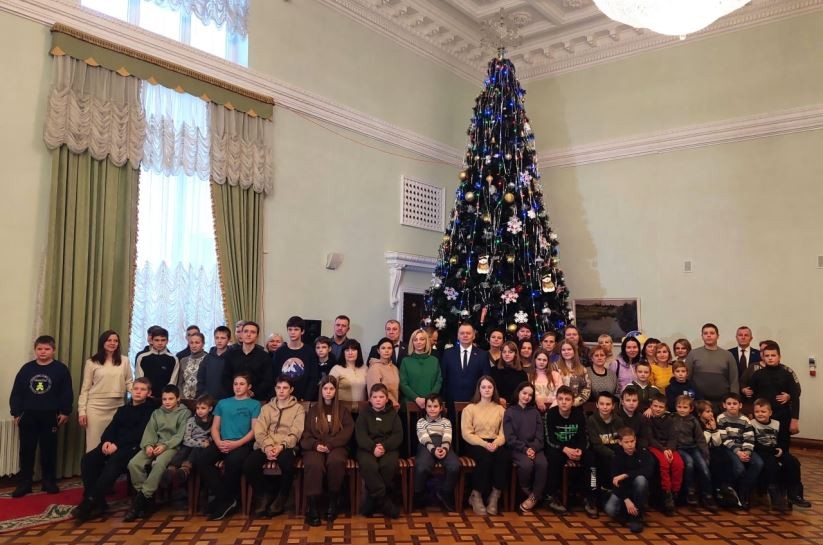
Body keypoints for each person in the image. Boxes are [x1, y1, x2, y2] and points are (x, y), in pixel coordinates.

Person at [73, 377, 156, 522]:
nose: (138, 392)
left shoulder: (151, 411)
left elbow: (139, 434)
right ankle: (98, 502)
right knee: (89, 460)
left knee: (113, 463)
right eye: (136, 389)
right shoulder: (123, 409)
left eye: (143, 390)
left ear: (149, 393)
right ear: (131, 390)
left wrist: (116, 445)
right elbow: (112, 427)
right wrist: (106, 441)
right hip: (113, 444)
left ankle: (89, 503)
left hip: (133, 446)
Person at [9, 335, 73, 497]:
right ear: (35, 350)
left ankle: (48, 481)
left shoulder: (60, 369)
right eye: (39, 349)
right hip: (28, 415)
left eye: (47, 349)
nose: (43, 352)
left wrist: (65, 411)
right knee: (26, 450)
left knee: (49, 450)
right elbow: (17, 393)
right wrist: (16, 413)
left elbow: (66, 392)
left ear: (53, 350)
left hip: (50, 415)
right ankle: (25, 483)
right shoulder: (27, 369)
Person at [195, 373, 261, 520]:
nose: (238, 387)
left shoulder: (255, 404)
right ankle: (225, 498)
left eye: (242, 384)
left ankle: (225, 499)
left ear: (249, 386)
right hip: (222, 442)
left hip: (242, 443)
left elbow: (254, 431)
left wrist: (237, 444)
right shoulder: (223, 403)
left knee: (233, 462)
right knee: (202, 460)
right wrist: (218, 442)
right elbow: (215, 427)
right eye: (235, 384)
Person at [124, 384, 190, 521]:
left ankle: (140, 501)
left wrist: (165, 446)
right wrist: (148, 445)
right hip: (154, 444)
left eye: (171, 399)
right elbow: (150, 431)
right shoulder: (157, 413)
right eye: (164, 399)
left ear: (178, 399)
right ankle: (147, 500)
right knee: (134, 463)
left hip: (172, 447)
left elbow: (180, 435)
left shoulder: (185, 413)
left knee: (158, 464)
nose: (167, 402)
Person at [245, 375, 305, 518]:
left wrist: (281, 446)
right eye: (278, 388)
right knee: (249, 464)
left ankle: (281, 498)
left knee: (287, 464)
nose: (281, 391)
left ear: (291, 390)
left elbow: (296, 432)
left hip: (286, 446)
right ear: (275, 389)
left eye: (285, 388)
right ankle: (264, 494)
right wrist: (267, 447)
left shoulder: (298, 408)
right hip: (266, 444)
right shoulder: (266, 408)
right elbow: (259, 430)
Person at [301, 376, 355, 525]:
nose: (328, 392)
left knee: (335, 461)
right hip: (315, 446)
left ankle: (332, 503)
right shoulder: (313, 410)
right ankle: (312, 507)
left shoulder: (343, 411)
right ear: (321, 390)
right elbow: (306, 433)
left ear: (336, 391)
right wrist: (315, 445)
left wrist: (331, 445)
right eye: (325, 388)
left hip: (336, 446)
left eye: (331, 388)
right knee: (314, 464)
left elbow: (347, 432)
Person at [544, 386, 596, 517]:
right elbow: (549, 439)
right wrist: (564, 449)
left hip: (576, 448)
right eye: (560, 399)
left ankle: (590, 497)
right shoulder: (550, 414)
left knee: (591, 460)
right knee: (553, 459)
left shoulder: (580, 414)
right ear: (556, 400)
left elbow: (585, 437)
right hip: (558, 448)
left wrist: (580, 450)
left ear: (572, 401)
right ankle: (551, 496)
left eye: (567, 399)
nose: (563, 402)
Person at [78, 330, 133, 452]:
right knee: (94, 444)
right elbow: (85, 389)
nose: (113, 343)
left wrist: (138, 392)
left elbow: (129, 382)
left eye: (116, 341)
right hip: (95, 408)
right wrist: (82, 411)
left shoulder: (124, 361)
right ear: (102, 342)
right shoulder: (91, 362)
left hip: (117, 406)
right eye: (109, 340)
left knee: (113, 444)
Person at [750, 398, 811, 509]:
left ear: (770, 413)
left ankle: (794, 494)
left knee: (793, 462)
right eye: (757, 412)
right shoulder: (751, 424)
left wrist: (781, 449)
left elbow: (783, 439)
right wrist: (772, 451)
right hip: (761, 451)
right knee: (773, 466)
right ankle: (776, 495)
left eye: (763, 411)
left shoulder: (777, 424)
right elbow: (753, 443)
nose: (760, 414)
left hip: (776, 450)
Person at [461, 376, 509, 516]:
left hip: (495, 442)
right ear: (479, 389)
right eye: (483, 387)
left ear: (494, 389)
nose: (487, 390)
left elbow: (504, 433)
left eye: (489, 387)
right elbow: (467, 433)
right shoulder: (470, 409)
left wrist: (495, 443)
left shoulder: (500, 409)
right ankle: (476, 495)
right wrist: (484, 444)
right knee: (485, 457)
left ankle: (495, 496)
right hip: (475, 443)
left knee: (504, 457)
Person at [356, 383, 403, 518]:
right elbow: (360, 435)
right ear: (370, 399)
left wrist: (384, 446)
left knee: (387, 465)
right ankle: (384, 502)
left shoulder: (393, 414)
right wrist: (373, 448)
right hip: (367, 448)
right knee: (369, 465)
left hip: (388, 448)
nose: (378, 400)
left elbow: (398, 435)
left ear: (387, 399)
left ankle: (371, 501)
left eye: (381, 397)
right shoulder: (364, 414)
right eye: (375, 397)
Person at [748, 340, 800, 450]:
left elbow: (795, 396)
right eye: (767, 356)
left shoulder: (787, 374)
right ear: (763, 357)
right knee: (762, 446)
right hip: (762, 417)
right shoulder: (757, 374)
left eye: (773, 355)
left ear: (779, 357)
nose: (770, 358)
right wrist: (751, 413)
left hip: (782, 416)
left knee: (783, 446)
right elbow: (751, 396)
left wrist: (795, 419)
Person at [504, 382, 546, 513]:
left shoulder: (535, 412)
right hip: (517, 449)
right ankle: (528, 491)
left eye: (530, 395)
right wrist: (525, 449)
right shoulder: (509, 412)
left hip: (535, 448)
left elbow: (540, 435)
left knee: (542, 464)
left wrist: (533, 448)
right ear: (518, 393)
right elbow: (510, 437)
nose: (527, 397)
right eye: (524, 393)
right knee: (527, 465)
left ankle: (534, 497)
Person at [413, 393, 459, 512]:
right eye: (429, 406)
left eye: (435, 406)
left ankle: (445, 492)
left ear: (441, 408)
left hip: (444, 445)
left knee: (454, 466)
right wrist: (433, 449)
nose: (432, 409)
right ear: (425, 407)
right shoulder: (421, 422)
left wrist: (444, 448)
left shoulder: (446, 422)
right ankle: (419, 494)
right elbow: (423, 437)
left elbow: (447, 436)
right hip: (426, 446)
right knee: (422, 466)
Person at [717, 392, 762, 510]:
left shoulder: (745, 420)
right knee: (739, 468)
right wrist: (738, 452)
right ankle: (733, 491)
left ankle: (744, 490)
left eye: (735, 403)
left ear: (740, 405)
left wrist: (747, 452)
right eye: (729, 404)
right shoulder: (721, 418)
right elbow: (724, 439)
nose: (732, 406)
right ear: (724, 405)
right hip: (730, 449)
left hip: (744, 448)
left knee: (758, 463)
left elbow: (749, 438)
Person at [605, 427, 654, 533]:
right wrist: (626, 499)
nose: (630, 445)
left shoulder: (643, 452)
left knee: (641, 479)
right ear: (620, 442)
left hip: (638, 489)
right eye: (626, 442)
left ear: (635, 440)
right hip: (622, 490)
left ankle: (637, 517)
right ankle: (627, 512)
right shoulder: (616, 456)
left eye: (632, 441)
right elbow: (615, 481)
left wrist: (626, 475)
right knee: (610, 510)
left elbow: (648, 471)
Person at [671, 395, 716, 510]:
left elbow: (700, 439)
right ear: (675, 407)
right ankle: (690, 492)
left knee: (704, 467)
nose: (682, 409)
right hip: (680, 448)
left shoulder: (693, 420)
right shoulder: (672, 418)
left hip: (692, 447)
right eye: (679, 407)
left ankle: (708, 495)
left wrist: (705, 454)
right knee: (689, 463)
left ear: (691, 409)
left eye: (685, 407)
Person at [645, 393, 684, 516]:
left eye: (661, 407)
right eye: (655, 406)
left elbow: (673, 437)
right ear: (650, 406)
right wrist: (663, 450)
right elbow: (650, 439)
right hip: (655, 447)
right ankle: (666, 495)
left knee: (678, 464)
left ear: (665, 408)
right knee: (664, 464)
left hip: (669, 447)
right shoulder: (647, 419)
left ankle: (675, 493)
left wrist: (670, 449)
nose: (657, 409)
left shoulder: (670, 420)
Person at [163, 393, 214, 485]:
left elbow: (212, 435)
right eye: (197, 408)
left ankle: (185, 469)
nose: (199, 411)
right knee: (184, 450)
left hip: (201, 447)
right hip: (190, 442)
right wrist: (200, 443)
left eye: (203, 408)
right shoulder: (192, 421)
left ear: (210, 409)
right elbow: (186, 439)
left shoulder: (213, 421)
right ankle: (171, 469)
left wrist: (208, 441)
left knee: (196, 451)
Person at [696, 400, 738, 508]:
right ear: (700, 414)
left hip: (714, 448)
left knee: (726, 459)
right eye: (707, 411)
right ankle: (715, 491)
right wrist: (708, 430)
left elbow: (717, 443)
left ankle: (726, 488)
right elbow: (703, 443)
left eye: (711, 411)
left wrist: (714, 429)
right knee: (714, 462)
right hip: (702, 450)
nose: (711, 414)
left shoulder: (713, 422)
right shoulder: (697, 424)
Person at [686, 323, 739, 408]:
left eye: (712, 333)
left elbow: (734, 380)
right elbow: (687, 379)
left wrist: (734, 399)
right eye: (705, 333)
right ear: (702, 336)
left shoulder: (728, 355)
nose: (708, 335)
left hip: (722, 402)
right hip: (698, 402)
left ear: (718, 336)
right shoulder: (693, 354)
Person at [222, 321, 273, 403]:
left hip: (257, 400)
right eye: (246, 331)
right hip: (234, 398)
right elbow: (225, 377)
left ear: (257, 336)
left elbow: (267, 380)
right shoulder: (231, 354)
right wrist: (237, 391)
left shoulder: (264, 356)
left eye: (252, 332)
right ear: (241, 334)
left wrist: (253, 392)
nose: (248, 334)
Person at [587, 391, 623, 505]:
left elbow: (620, 441)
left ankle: (613, 494)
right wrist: (614, 455)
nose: (605, 407)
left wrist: (617, 454)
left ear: (613, 406)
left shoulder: (618, 421)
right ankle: (593, 497)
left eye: (608, 404)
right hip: (597, 452)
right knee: (593, 464)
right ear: (597, 405)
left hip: (613, 451)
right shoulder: (591, 420)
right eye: (602, 404)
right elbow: (596, 444)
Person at [272, 316, 320, 401]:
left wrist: (307, 397)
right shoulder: (279, 352)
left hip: (303, 398)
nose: (292, 332)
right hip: (282, 398)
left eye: (296, 329)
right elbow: (274, 376)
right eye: (290, 329)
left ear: (302, 331)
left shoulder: (310, 352)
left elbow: (313, 377)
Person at [441, 322, 488, 405]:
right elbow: (443, 378)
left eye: (468, 333)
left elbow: (486, 379)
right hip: (451, 401)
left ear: (473, 336)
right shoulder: (448, 354)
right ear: (458, 336)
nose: (465, 335)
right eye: (462, 333)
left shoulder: (483, 355)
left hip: (475, 401)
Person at [399, 329, 442, 410]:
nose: (418, 342)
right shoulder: (405, 361)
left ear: (426, 341)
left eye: (422, 339)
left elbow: (438, 381)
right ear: (412, 342)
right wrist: (416, 398)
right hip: (410, 405)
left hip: (431, 404)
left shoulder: (434, 360)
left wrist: (429, 399)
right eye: (415, 340)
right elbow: (403, 383)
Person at [135, 327, 179, 393]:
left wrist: (167, 394)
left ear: (167, 341)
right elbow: (140, 379)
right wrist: (145, 392)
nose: (160, 343)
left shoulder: (173, 359)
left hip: (165, 396)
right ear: (152, 341)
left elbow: (173, 382)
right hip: (146, 395)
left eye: (163, 340)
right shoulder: (142, 357)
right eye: (157, 340)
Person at [196, 326, 232, 400]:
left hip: (227, 399)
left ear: (228, 340)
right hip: (208, 399)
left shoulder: (233, 358)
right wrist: (202, 394)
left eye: (223, 338)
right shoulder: (207, 358)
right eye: (217, 338)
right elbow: (201, 379)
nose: (219, 341)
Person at [367, 336, 402, 409]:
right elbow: (375, 391)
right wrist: (393, 402)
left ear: (392, 350)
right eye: (383, 348)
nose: (386, 351)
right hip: (380, 409)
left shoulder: (394, 368)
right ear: (378, 351)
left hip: (393, 408)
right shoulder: (374, 367)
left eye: (389, 348)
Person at [330, 339, 368, 404]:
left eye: (353, 350)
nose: (350, 353)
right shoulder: (336, 369)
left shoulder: (365, 368)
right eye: (347, 350)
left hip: (362, 408)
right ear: (343, 352)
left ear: (358, 352)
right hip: (343, 408)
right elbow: (329, 390)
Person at [555, 340, 592, 407]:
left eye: (569, 349)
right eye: (563, 350)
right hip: (558, 405)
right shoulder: (554, 367)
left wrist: (574, 402)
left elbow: (587, 389)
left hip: (576, 405)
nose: (566, 352)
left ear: (574, 351)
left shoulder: (582, 369)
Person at [492, 341, 528, 408]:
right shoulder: (494, 370)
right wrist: (497, 398)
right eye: (504, 352)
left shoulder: (522, 373)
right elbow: (490, 389)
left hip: (515, 407)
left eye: (510, 352)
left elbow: (523, 393)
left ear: (515, 354)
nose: (507, 354)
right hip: (496, 405)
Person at [177, 331, 207, 404]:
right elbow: (180, 383)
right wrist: (182, 398)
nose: (194, 345)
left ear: (203, 344)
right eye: (191, 343)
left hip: (202, 401)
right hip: (184, 399)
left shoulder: (208, 359)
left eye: (197, 343)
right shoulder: (183, 360)